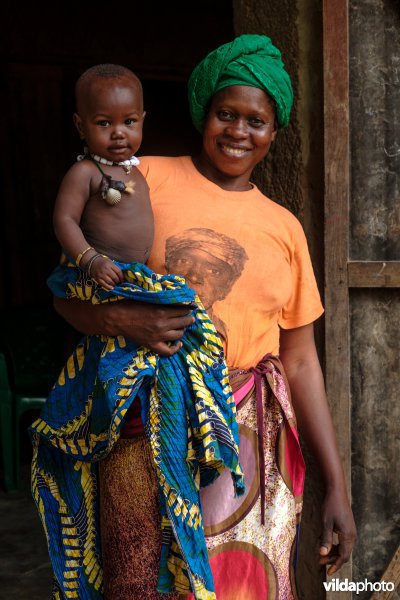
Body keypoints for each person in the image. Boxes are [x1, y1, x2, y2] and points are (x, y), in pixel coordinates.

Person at [53, 35, 356, 600]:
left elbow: (301, 362)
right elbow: (68, 298)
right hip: (146, 420)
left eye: (256, 121)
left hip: (251, 442)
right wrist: (126, 321)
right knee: (141, 579)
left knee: (244, 585)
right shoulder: (142, 179)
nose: (238, 132)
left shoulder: (285, 228)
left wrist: (337, 486)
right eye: (226, 114)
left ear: (274, 130)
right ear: (204, 113)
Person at [30, 64, 245, 600]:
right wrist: (87, 258)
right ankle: (117, 410)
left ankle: (201, 422)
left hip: (137, 281)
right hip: (100, 279)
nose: (119, 133)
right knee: (124, 354)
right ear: (81, 126)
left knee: (193, 328)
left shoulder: (138, 172)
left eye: (129, 122)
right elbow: (63, 221)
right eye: (105, 123)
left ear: (144, 121)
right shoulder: (84, 174)